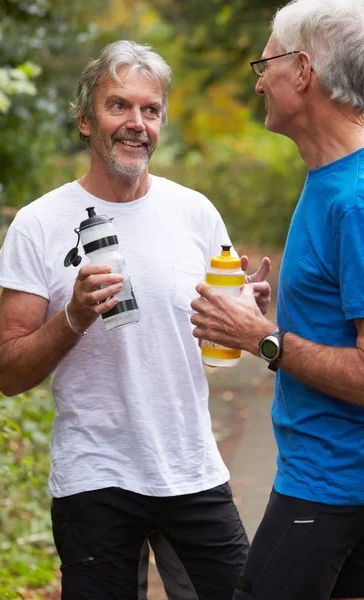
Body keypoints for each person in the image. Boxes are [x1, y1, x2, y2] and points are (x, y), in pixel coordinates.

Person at [0, 40, 271, 599]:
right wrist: (72, 315)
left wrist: (244, 315)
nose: (136, 123)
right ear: (85, 121)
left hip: (191, 468)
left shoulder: (195, 211)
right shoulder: (39, 223)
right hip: (95, 478)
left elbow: (225, 332)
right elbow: (8, 371)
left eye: (150, 109)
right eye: (118, 106)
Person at [190, 1, 364, 599]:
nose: (259, 79)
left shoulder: (355, 198)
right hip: (329, 481)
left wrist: (257, 337)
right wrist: (263, 317)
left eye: (264, 63)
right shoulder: (329, 180)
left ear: (303, 70)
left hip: (332, 485)